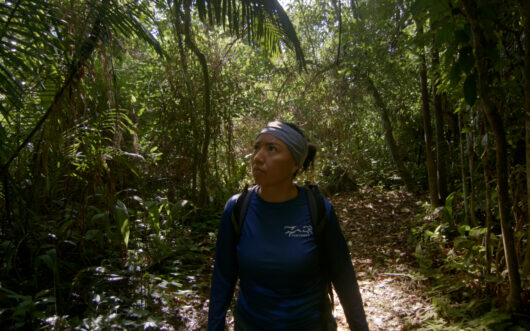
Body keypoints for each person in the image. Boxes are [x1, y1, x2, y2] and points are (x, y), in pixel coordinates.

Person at [207, 121, 368, 331]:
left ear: (295, 164)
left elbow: (344, 278)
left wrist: (359, 326)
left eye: (271, 149)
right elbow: (222, 280)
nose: (257, 157)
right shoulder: (237, 209)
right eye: (257, 147)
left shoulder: (318, 210)